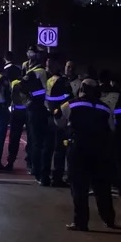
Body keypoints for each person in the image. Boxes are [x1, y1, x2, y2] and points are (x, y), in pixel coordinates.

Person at [55, 79, 117, 231]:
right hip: (100, 151)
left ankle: (81, 222)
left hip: (78, 149)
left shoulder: (70, 104)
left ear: (81, 89)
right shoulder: (105, 108)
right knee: (102, 186)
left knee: (78, 187)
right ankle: (109, 218)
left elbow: (59, 121)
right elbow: (112, 128)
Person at [99, 71, 121, 196]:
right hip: (117, 132)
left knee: (117, 160)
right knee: (118, 161)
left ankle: (117, 186)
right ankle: (118, 186)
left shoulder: (112, 96)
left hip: (114, 132)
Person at [42, 56, 73, 187]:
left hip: (49, 116)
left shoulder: (49, 80)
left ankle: (44, 177)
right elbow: (69, 100)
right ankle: (57, 178)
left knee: (47, 148)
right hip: (59, 118)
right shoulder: (63, 81)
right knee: (59, 149)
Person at [22, 52, 48, 182]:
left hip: (36, 109)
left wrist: (30, 98)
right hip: (39, 109)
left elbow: (22, 87)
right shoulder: (39, 72)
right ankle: (36, 168)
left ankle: (34, 166)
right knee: (38, 141)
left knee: (35, 140)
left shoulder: (36, 72)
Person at [6, 66, 30, 172]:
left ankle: (10, 161)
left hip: (17, 112)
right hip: (26, 111)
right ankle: (29, 161)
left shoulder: (14, 83)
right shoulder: (27, 82)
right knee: (30, 137)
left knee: (14, 138)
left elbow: (11, 97)